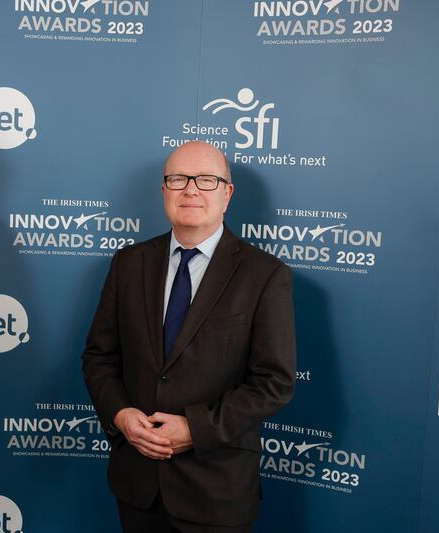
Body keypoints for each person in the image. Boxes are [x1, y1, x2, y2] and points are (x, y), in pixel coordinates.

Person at [82, 141, 296, 532]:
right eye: (178, 179)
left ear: (227, 193)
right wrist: (121, 415)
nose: (191, 190)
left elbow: (273, 383)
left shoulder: (265, 275)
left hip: (217, 491)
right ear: (164, 190)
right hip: (139, 486)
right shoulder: (128, 264)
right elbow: (99, 358)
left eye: (206, 180)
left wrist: (196, 429)